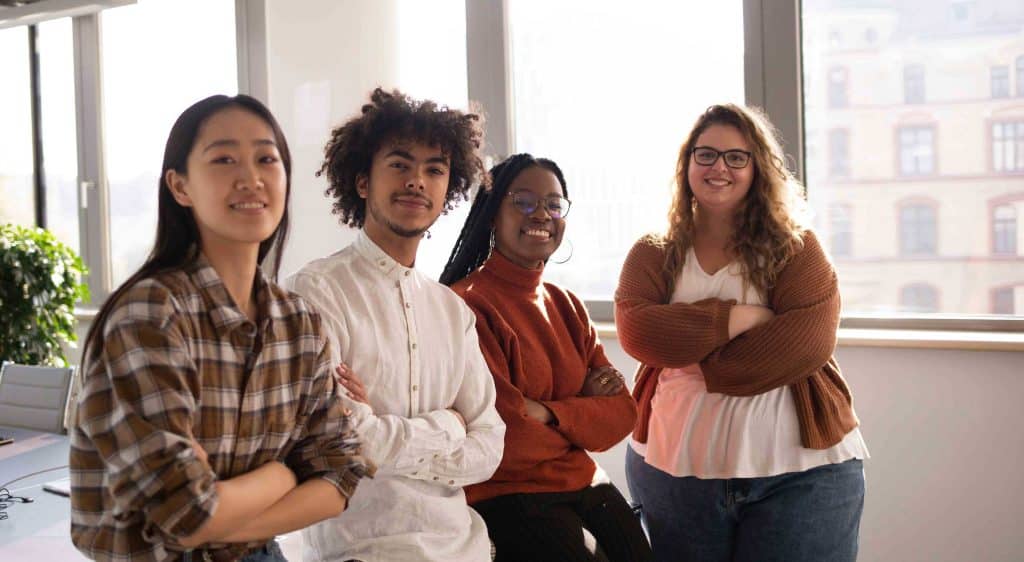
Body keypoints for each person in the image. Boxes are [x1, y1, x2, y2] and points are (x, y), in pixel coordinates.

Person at [69, 94, 372, 562]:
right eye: (224, 158)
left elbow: (343, 471)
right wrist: (283, 475)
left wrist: (227, 516)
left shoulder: (298, 321)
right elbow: (185, 513)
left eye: (266, 159)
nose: (251, 177)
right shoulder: (149, 315)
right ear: (180, 186)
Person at [615, 104, 869, 562]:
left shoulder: (797, 248)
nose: (719, 168)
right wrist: (739, 320)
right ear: (687, 162)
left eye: (737, 157)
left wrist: (693, 354)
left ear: (758, 169)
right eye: (707, 154)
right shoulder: (653, 253)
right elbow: (638, 333)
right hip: (676, 474)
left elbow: (805, 343)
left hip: (803, 477)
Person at [284, 88, 505, 562]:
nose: (417, 182)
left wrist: (388, 440)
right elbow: (346, 443)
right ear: (362, 181)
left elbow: (490, 448)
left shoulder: (453, 311)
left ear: (447, 189)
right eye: (400, 165)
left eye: (434, 170)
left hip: (462, 548)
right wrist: (447, 425)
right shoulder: (316, 292)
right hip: (360, 551)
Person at [440, 153, 653, 562]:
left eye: (553, 205)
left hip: (585, 484)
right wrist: (580, 415)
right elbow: (506, 438)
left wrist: (549, 413)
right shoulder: (466, 305)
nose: (541, 213)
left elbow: (623, 414)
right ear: (491, 214)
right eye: (523, 201)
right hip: (507, 494)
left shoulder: (567, 305)